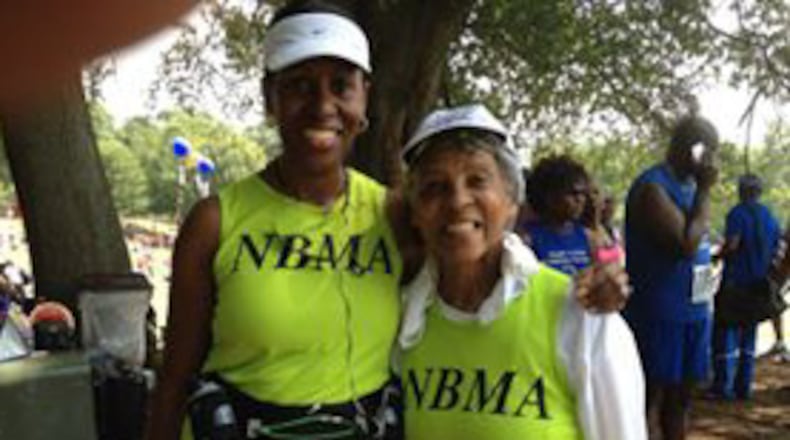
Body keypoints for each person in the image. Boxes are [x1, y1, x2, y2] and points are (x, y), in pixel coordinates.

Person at [146, 2, 631, 438]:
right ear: (269, 97)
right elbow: (175, 377)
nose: (322, 106)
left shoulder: (393, 212)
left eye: (341, 86)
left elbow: (479, 248)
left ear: (364, 99)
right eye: (298, 86)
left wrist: (594, 286)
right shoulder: (215, 222)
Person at [398, 104, 646, 439]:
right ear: (415, 213)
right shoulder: (402, 318)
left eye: (477, 181)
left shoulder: (580, 316)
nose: (457, 201)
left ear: (513, 203)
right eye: (434, 187)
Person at [623, 114, 719, 440]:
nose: (712, 161)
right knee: (648, 400)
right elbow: (686, 245)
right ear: (691, 150)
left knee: (681, 402)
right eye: (708, 152)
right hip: (659, 315)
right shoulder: (654, 187)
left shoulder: (691, 187)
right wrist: (705, 191)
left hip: (695, 310)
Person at [710, 174, 781, 399]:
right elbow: (777, 249)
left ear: (741, 191)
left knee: (725, 333)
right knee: (748, 335)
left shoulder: (737, 213)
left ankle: (723, 387)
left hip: (735, 283)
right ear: (759, 192)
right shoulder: (770, 216)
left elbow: (733, 244)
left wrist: (717, 256)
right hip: (758, 285)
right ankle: (744, 387)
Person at [522, 155, 595, 274]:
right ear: (550, 196)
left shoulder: (589, 238)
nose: (580, 199)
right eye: (572, 193)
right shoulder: (528, 240)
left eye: (583, 193)